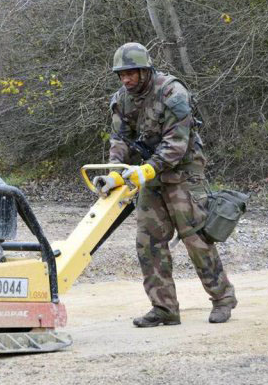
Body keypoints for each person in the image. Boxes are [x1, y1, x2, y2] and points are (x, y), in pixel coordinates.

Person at [93, 42, 236, 326]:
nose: (126, 79)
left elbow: (176, 145)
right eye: (121, 75)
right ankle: (164, 308)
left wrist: (147, 169)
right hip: (150, 173)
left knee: (196, 237)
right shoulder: (122, 99)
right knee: (148, 242)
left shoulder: (172, 92)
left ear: (145, 70)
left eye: (131, 73)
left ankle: (223, 298)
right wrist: (113, 173)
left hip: (183, 171)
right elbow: (119, 140)